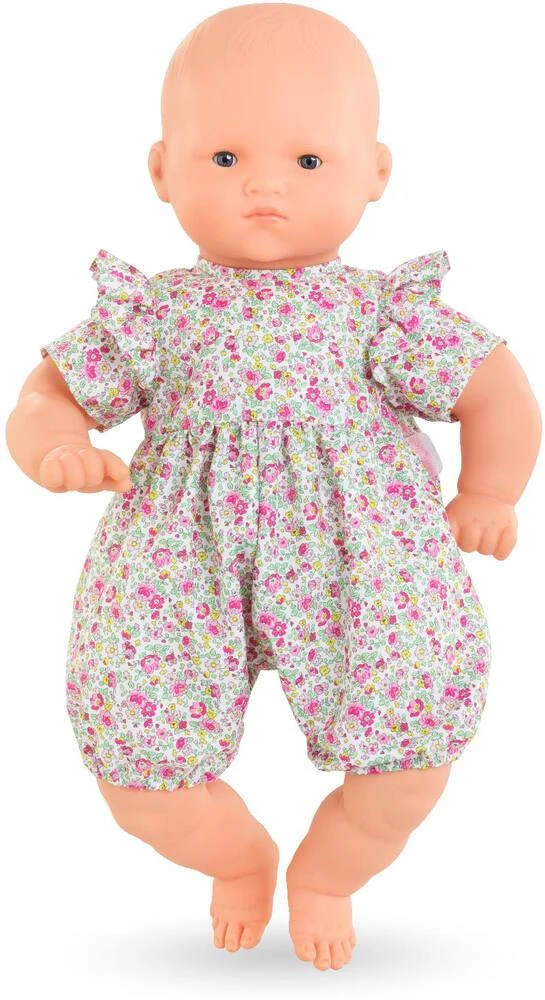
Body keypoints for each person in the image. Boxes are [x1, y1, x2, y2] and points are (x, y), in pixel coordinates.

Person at [5, 2, 541, 974]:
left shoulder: (377, 313)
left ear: (374, 171)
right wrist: (56, 446)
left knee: (409, 757)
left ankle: (326, 874)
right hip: (178, 561)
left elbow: (492, 388)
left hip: (361, 561)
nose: (263, 184)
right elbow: (47, 392)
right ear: (161, 170)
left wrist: (489, 492)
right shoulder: (156, 313)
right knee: (138, 774)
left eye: (307, 160)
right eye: (223, 158)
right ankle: (239, 856)